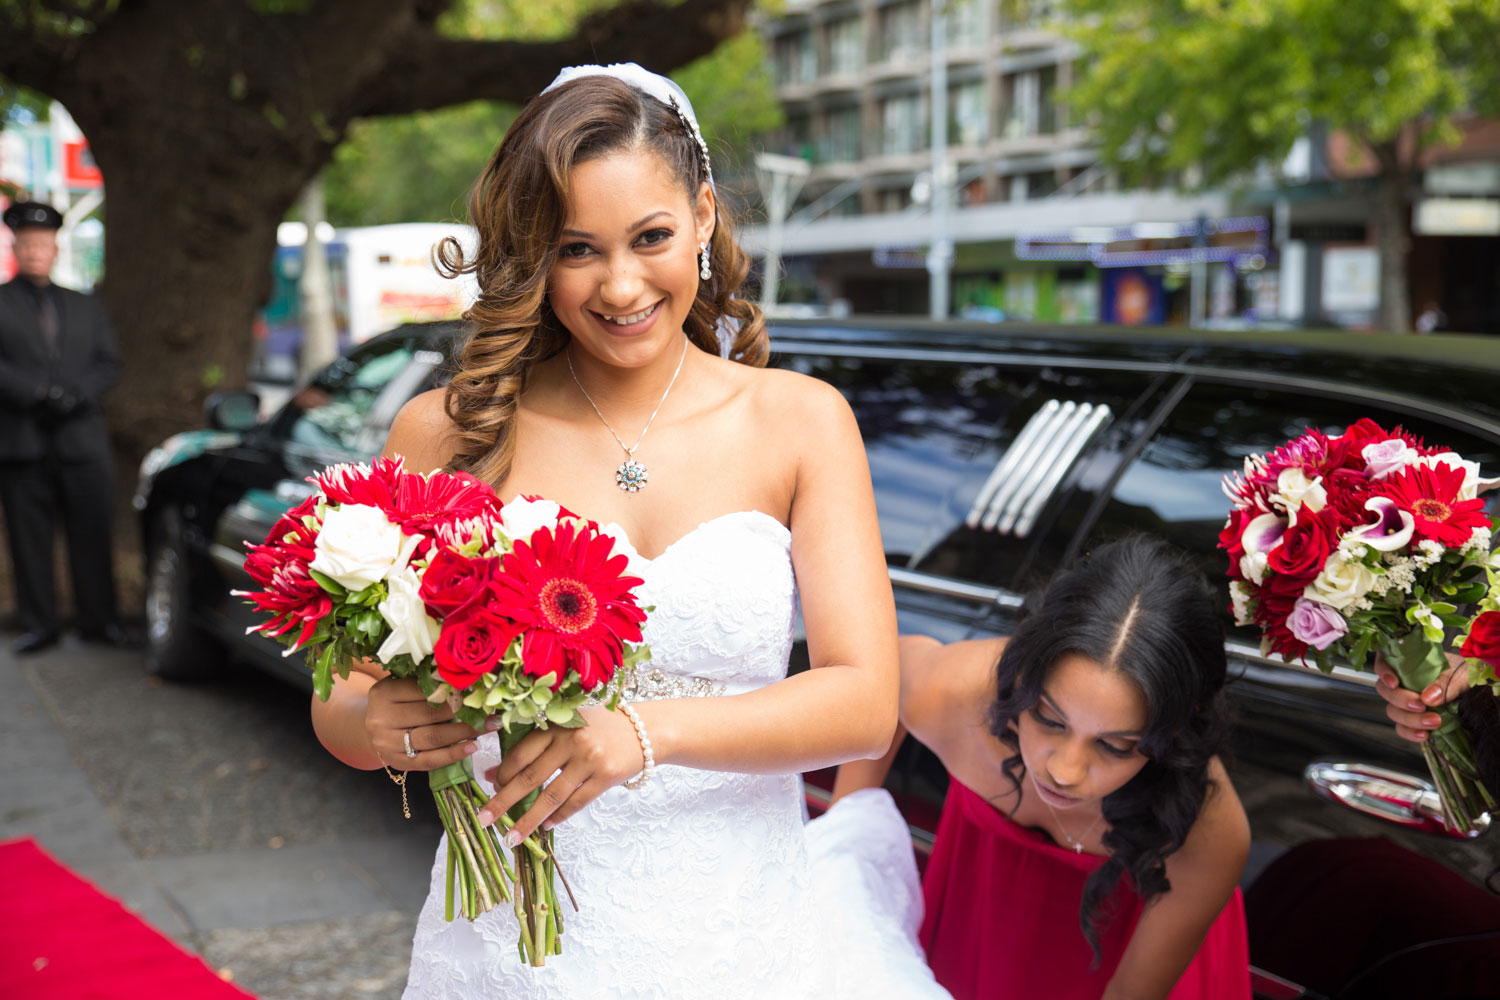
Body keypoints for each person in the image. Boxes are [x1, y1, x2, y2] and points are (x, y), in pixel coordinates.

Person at [309, 65, 907, 998]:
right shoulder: (447, 432)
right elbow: (344, 701)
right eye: (577, 249)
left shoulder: (801, 421)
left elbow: (866, 702)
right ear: (534, 256)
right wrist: (372, 724)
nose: (621, 285)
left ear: (704, 217)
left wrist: (643, 732)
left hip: (741, 938)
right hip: (514, 942)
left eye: (652, 238)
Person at [823, 535, 1253, 1000]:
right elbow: (877, 682)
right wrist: (846, 844)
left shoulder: (1204, 830)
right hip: (977, 922)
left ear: (1169, 736)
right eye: (1049, 719)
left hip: (1124, 958)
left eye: (1115, 747)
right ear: (1023, 679)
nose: (1065, 770)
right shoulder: (949, 694)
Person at [0, 200, 127, 654]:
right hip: (22, 440)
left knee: (92, 532)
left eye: (44, 243)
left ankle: (99, 621)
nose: (36, 251)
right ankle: (40, 624)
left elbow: (107, 363)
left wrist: (75, 396)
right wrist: (37, 393)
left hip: (82, 439)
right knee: (28, 537)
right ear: (16, 246)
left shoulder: (85, 305)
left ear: (55, 248)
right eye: (28, 243)